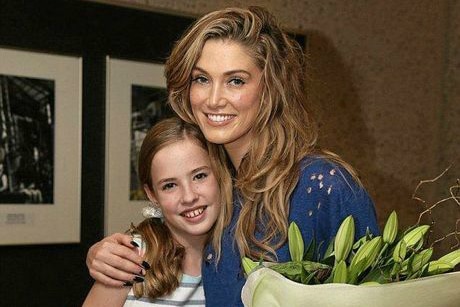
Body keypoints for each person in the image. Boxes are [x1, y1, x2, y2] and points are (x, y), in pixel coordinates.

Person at [86, 6, 380, 306]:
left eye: (235, 81)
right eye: (201, 79)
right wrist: (106, 256)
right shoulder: (216, 185)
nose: (213, 100)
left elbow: (378, 295)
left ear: (271, 88)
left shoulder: (323, 185)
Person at [83, 117, 231, 306]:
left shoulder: (238, 253)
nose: (188, 197)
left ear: (221, 173)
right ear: (152, 194)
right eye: (170, 185)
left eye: (199, 176)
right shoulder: (131, 258)